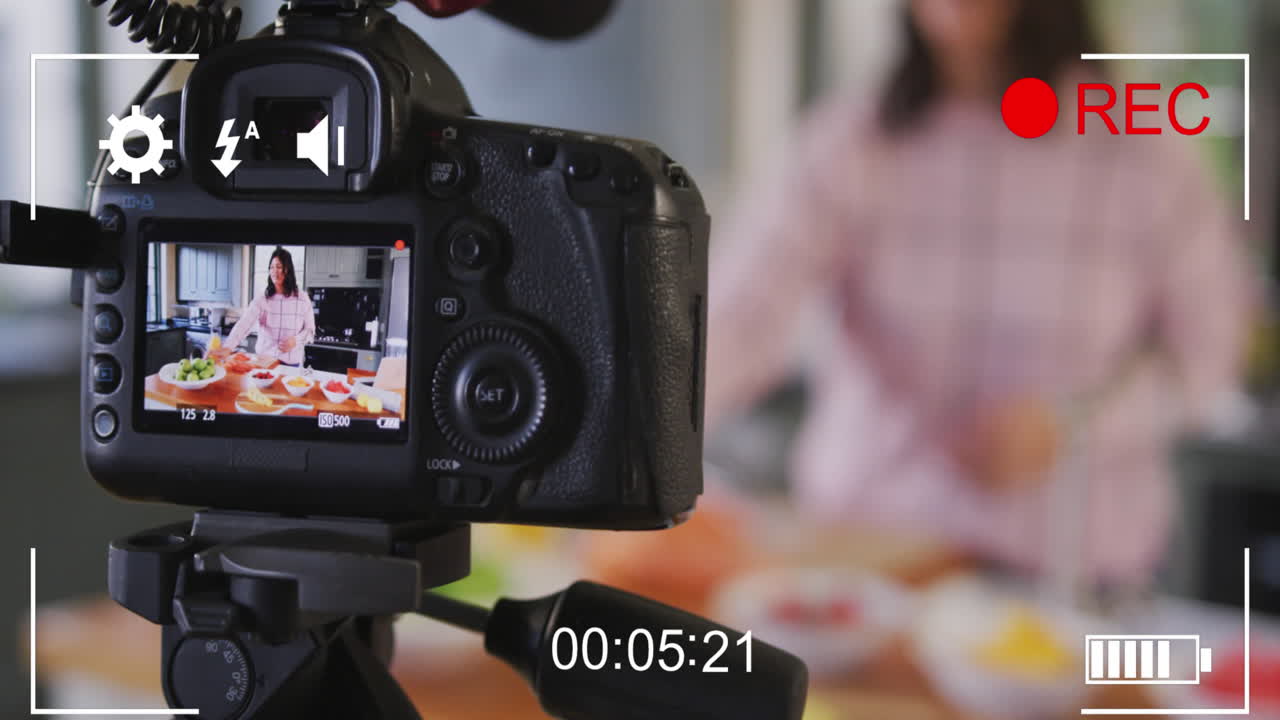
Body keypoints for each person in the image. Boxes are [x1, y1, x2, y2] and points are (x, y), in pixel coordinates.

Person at [705, 0, 1254, 583]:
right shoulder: (849, 142)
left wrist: (1071, 426)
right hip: (872, 566)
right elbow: (737, 321)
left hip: (1075, 579)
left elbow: (1211, 356)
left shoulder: (1145, 152)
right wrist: (642, 432)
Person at [214, 247, 316, 367]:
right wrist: (228, 347)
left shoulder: (302, 298)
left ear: (287, 269)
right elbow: (244, 324)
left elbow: (310, 331)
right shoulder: (262, 298)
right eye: (271, 267)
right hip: (265, 361)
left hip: (291, 364)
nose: (274, 271)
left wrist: (296, 341)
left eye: (278, 267)